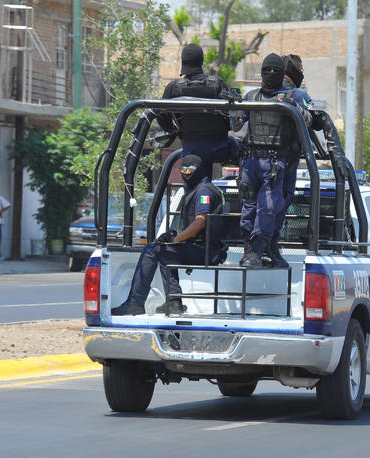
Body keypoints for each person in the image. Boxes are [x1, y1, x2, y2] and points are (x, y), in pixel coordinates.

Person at [112, 155, 226, 316]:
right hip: (202, 247)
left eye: (190, 170)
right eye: (183, 169)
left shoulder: (204, 191)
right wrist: (171, 237)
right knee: (164, 251)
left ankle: (135, 303)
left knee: (152, 250)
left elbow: (200, 222)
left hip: (207, 250)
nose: (186, 173)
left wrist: (176, 239)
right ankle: (173, 302)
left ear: (199, 171)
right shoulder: (196, 189)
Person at [233, 53, 313, 268]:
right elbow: (236, 124)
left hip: (278, 162)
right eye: (266, 70)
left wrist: (293, 106)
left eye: (275, 70)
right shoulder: (252, 96)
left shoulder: (295, 96)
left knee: (270, 207)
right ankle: (252, 250)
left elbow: (311, 119)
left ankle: (263, 248)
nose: (270, 74)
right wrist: (233, 108)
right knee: (250, 207)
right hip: (251, 161)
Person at [156, 43, 235, 178]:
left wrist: (173, 129)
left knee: (192, 182)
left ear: (183, 61)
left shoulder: (173, 87)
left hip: (190, 148)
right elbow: (231, 113)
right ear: (201, 61)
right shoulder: (217, 83)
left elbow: (162, 115)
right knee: (240, 147)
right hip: (218, 148)